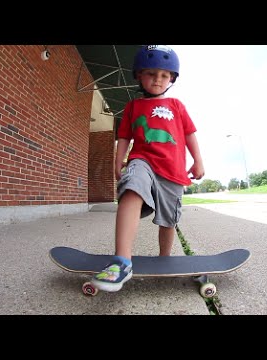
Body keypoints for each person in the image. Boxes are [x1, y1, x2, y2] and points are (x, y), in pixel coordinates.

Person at [90, 45, 205, 292]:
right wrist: (117, 161)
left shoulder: (176, 105)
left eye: (164, 75)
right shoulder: (133, 107)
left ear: (172, 79)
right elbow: (123, 137)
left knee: (168, 221)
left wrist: (198, 160)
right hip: (142, 160)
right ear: (139, 76)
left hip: (173, 171)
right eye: (151, 73)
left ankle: (164, 260)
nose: (157, 80)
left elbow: (190, 133)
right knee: (131, 190)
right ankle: (122, 260)